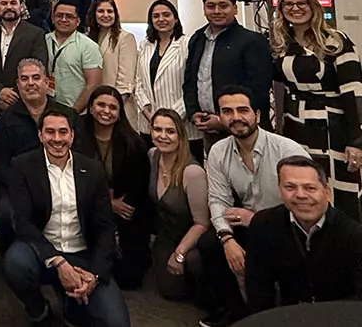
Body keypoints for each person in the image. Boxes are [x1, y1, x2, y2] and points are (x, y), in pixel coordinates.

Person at [3, 111, 130, 327]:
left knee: (117, 323)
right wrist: (59, 262)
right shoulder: (22, 166)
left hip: (83, 255)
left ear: (72, 135)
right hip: (42, 253)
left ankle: (72, 304)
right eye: (50, 132)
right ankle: (39, 311)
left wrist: (94, 276)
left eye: (63, 132)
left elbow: (105, 227)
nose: (57, 139)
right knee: (16, 263)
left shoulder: (92, 169)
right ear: (40, 135)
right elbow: (22, 222)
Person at [195, 85, 309, 327]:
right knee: (209, 244)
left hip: (287, 226)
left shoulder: (286, 150)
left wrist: (257, 220)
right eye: (227, 111)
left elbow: (306, 204)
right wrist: (227, 239)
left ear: (257, 115)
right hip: (248, 225)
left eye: (242, 110)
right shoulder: (218, 151)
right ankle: (236, 313)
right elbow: (218, 199)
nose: (235, 117)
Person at [271, 0, 362, 220]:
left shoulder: (335, 41)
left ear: (313, 6)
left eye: (301, 3)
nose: (295, 8)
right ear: (281, 9)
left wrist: (356, 140)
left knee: (338, 193)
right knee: (302, 187)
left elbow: (353, 91)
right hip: (296, 128)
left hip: (333, 129)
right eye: (288, 4)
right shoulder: (281, 44)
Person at [245, 155, 362, 313]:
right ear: (279, 189)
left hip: (339, 314)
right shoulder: (263, 225)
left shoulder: (353, 234)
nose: (300, 195)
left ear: (327, 192)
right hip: (288, 315)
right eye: (290, 187)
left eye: (310, 188)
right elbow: (258, 290)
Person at [0, 59, 78, 246]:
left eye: (36, 78)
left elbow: (80, 158)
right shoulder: (4, 120)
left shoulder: (68, 115)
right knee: (5, 215)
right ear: (18, 85)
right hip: (19, 187)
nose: (30, 83)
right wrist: (25, 187)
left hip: (64, 182)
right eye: (24, 79)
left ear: (46, 82)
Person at [72, 86, 151, 290]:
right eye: (101, 105)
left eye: (113, 107)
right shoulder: (75, 136)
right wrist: (108, 203)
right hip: (86, 208)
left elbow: (140, 183)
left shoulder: (132, 142)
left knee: (129, 279)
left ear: (119, 113)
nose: (106, 111)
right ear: (90, 107)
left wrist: (120, 205)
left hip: (124, 211)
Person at [184, 0, 273, 151]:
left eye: (223, 6)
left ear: (235, 8)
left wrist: (224, 119)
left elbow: (259, 90)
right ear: (204, 9)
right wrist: (193, 112)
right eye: (211, 6)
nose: (217, 11)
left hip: (245, 130)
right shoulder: (197, 39)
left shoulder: (252, 41)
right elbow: (190, 81)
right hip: (209, 129)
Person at [148, 108, 209, 302]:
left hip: (192, 237)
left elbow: (202, 223)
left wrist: (180, 253)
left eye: (170, 131)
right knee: (168, 289)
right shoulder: (152, 156)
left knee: (190, 273)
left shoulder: (192, 172)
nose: (163, 136)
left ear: (181, 136)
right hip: (166, 235)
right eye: (157, 129)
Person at [136, 0, 197, 157]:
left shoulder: (187, 45)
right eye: (156, 16)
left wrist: (171, 117)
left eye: (166, 15)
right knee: (154, 167)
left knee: (183, 169)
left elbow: (193, 85)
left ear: (175, 19)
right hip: (149, 122)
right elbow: (138, 81)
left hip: (181, 122)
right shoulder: (144, 45)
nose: (161, 19)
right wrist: (148, 113)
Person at [0, 0, 48, 113]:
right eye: (4, 3)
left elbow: (39, 67)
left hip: (24, 103)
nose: (9, 7)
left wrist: (12, 95)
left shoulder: (36, 34)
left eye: (13, 3)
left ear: (21, 6)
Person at [87, 0, 138, 128]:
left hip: (119, 106)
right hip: (95, 108)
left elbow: (126, 79)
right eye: (101, 11)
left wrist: (112, 106)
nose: (106, 15)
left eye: (110, 11)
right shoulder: (88, 39)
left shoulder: (125, 38)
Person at [46, 2, 103, 112]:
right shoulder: (42, 41)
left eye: (69, 16)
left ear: (78, 21)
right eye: (59, 15)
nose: (63, 19)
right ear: (52, 19)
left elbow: (92, 85)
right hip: (48, 111)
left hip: (78, 113)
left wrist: (73, 113)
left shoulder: (88, 46)